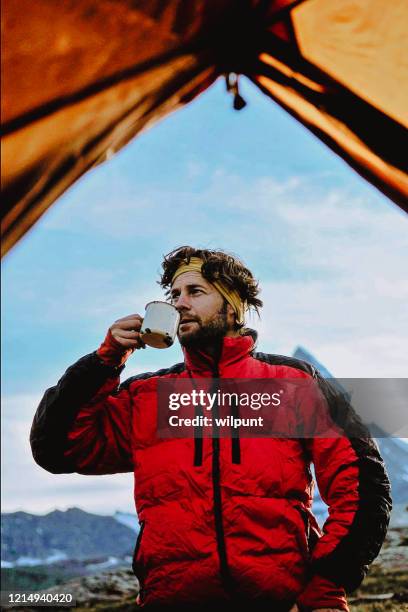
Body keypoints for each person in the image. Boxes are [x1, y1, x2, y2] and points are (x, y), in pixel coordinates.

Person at [30, 246, 391, 612]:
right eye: (174, 295)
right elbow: (58, 448)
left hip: (280, 603)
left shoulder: (293, 383)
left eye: (195, 292)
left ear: (232, 306)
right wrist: (102, 362)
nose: (179, 304)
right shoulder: (147, 397)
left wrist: (327, 584)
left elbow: (363, 486)